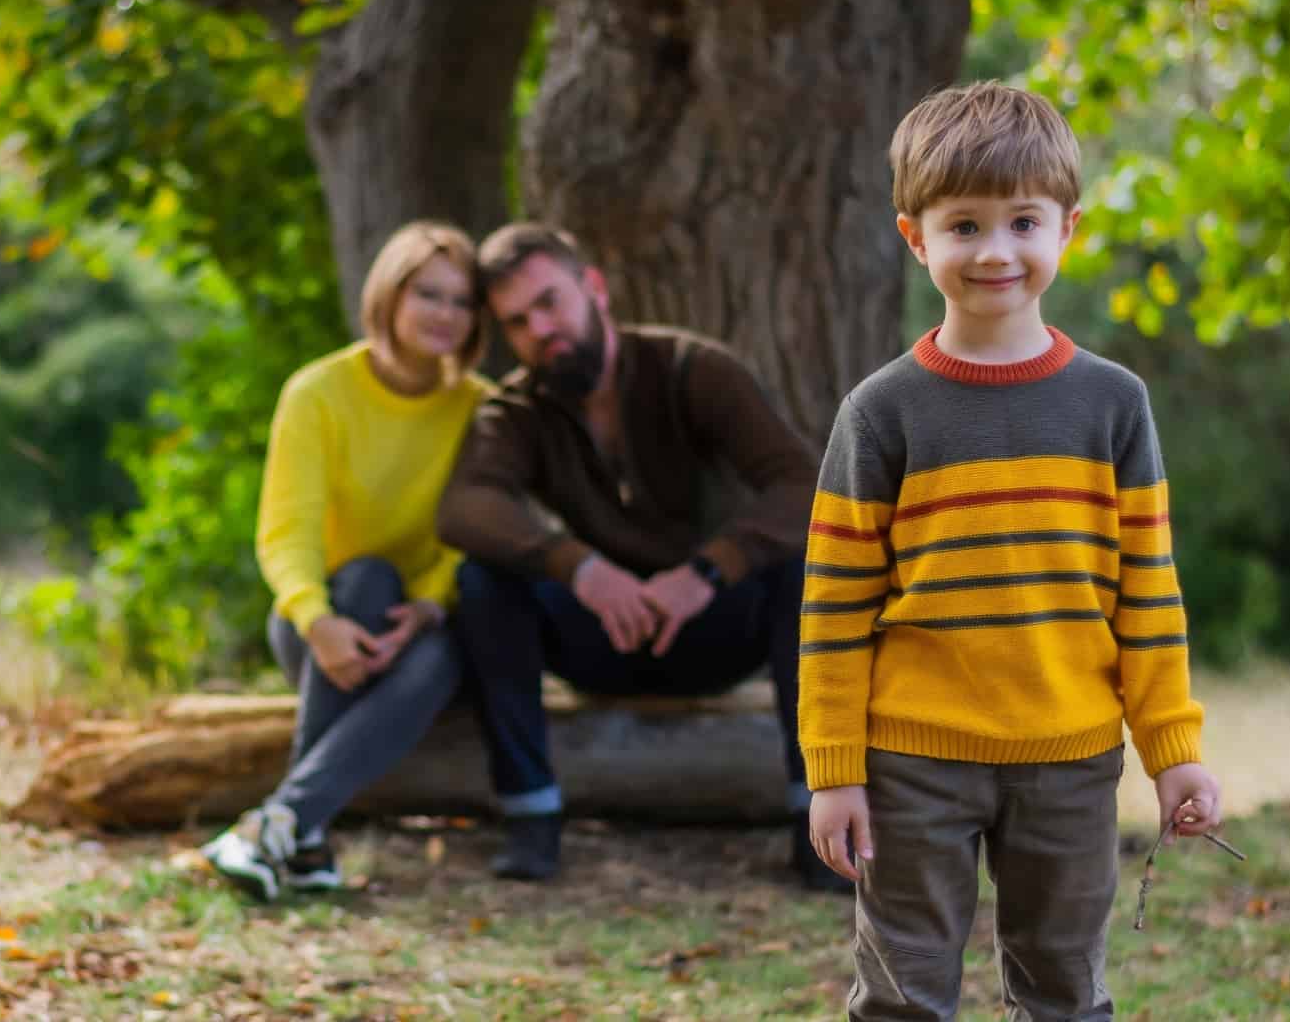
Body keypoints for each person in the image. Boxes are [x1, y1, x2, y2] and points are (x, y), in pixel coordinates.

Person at [801, 81, 1225, 1019]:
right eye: (964, 226)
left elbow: (1148, 593)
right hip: (912, 761)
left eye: (1023, 222)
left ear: (1067, 229)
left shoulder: (1113, 405)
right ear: (916, 237)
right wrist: (834, 770)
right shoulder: (880, 414)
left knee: (1065, 988)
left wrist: (1173, 750)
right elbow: (834, 604)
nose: (996, 251)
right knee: (904, 991)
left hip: (1070, 759)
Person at [436, 222, 843, 890]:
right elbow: (465, 507)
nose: (541, 328)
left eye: (549, 302)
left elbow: (808, 485)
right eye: (517, 321)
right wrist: (580, 569)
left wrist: (712, 569)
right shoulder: (515, 410)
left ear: (592, 288)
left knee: (805, 572)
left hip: (712, 625)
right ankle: (531, 813)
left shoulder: (691, 368)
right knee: (482, 581)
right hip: (603, 633)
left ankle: (815, 820)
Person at [200, 221, 493, 903]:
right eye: (429, 293)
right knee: (364, 576)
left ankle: (288, 828)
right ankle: (297, 830)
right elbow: (285, 530)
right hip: (323, 622)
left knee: (444, 650)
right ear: (389, 293)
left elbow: (478, 530)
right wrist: (317, 620)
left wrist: (429, 604)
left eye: (462, 301)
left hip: (420, 630)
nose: (447, 315)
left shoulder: (480, 407)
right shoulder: (317, 392)